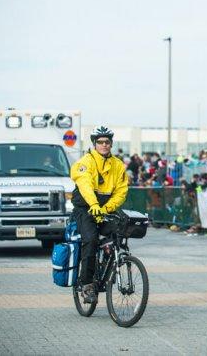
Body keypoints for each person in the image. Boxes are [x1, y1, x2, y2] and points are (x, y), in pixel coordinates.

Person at [70, 126, 128, 304]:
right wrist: (94, 205)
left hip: (105, 209)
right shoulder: (85, 162)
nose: (104, 145)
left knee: (121, 231)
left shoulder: (118, 165)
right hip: (85, 209)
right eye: (100, 142)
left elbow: (121, 190)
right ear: (95, 144)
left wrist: (107, 208)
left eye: (107, 142)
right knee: (91, 240)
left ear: (111, 144)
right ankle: (87, 284)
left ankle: (109, 264)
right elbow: (85, 184)